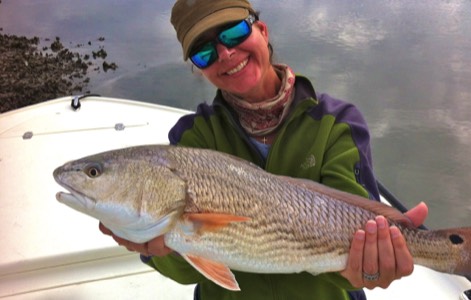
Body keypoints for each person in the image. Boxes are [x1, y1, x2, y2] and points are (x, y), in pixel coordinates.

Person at [100, 0, 429, 299]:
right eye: (205, 53)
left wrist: (368, 268)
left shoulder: (336, 123)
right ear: (199, 68)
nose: (225, 54)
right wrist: (161, 250)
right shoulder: (192, 137)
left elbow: (356, 262)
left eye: (233, 33)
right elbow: (189, 271)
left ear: (261, 29)